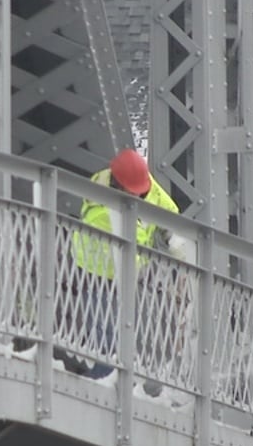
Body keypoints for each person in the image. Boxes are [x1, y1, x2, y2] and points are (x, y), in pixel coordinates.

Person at [69, 148, 180, 379]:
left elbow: (167, 208)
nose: (138, 196)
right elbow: (133, 249)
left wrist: (173, 234)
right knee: (107, 340)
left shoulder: (143, 184)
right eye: (133, 192)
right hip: (97, 276)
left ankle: (109, 380)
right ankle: (103, 384)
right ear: (118, 185)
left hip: (123, 274)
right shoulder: (102, 212)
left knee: (118, 336)